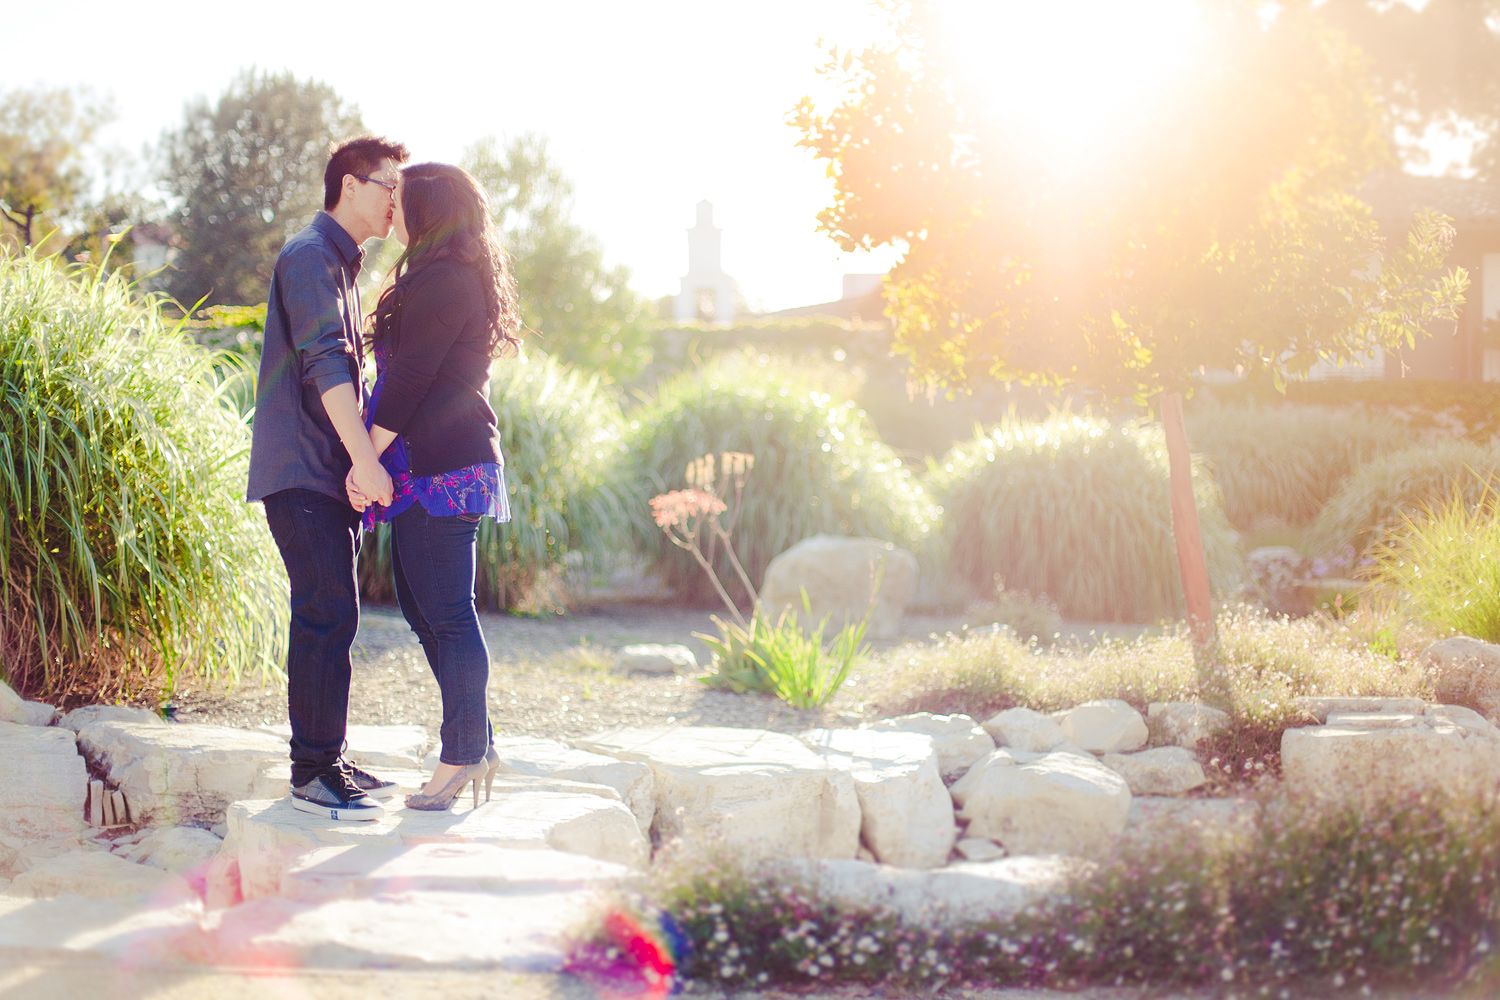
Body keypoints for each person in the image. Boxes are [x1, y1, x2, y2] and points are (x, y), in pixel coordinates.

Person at [347, 161, 521, 811]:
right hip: (437, 464)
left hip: (444, 465)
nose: (389, 206)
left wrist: (365, 458)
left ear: (427, 210)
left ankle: (461, 757)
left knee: (446, 614)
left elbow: (409, 381)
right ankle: (477, 742)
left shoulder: (445, 279)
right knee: (430, 614)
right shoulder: (441, 274)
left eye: (399, 197)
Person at [247, 135, 409, 821]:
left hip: (323, 473)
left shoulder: (340, 265)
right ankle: (312, 773)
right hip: (302, 472)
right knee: (325, 614)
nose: (397, 201)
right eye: (388, 187)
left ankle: (328, 758)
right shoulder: (312, 258)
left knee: (333, 617)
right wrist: (365, 460)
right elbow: (325, 365)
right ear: (350, 184)